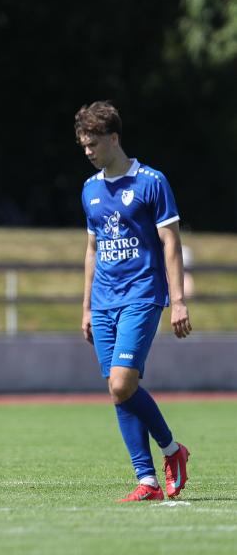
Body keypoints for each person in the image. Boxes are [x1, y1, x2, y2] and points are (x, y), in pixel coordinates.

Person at [75, 101, 191, 502]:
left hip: (142, 295)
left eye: (93, 143)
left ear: (114, 138)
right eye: (83, 145)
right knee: (117, 389)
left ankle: (173, 450)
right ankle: (147, 481)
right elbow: (92, 249)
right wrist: (87, 306)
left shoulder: (151, 182)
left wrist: (177, 301)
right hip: (104, 302)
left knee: (123, 382)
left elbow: (170, 243)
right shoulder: (90, 189)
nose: (87, 151)